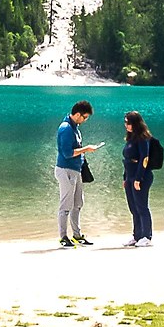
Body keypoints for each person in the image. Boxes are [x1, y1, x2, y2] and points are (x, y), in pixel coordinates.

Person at [55, 100, 102, 247]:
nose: (85, 120)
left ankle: (76, 234)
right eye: (85, 117)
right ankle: (63, 237)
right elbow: (68, 153)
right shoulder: (66, 128)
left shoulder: (75, 127)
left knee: (78, 203)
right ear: (77, 114)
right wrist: (86, 149)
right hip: (65, 170)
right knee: (66, 205)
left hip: (76, 170)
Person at [122, 111, 164, 247]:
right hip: (130, 175)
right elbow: (127, 160)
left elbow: (144, 158)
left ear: (135, 123)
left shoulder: (142, 138)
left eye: (128, 122)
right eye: (125, 122)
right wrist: (125, 178)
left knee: (142, 206)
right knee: (133, 207)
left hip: (141, 176)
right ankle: (137, 235)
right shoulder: (130, 138)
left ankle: (146, 236)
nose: (126, 125)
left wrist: (138, 179)